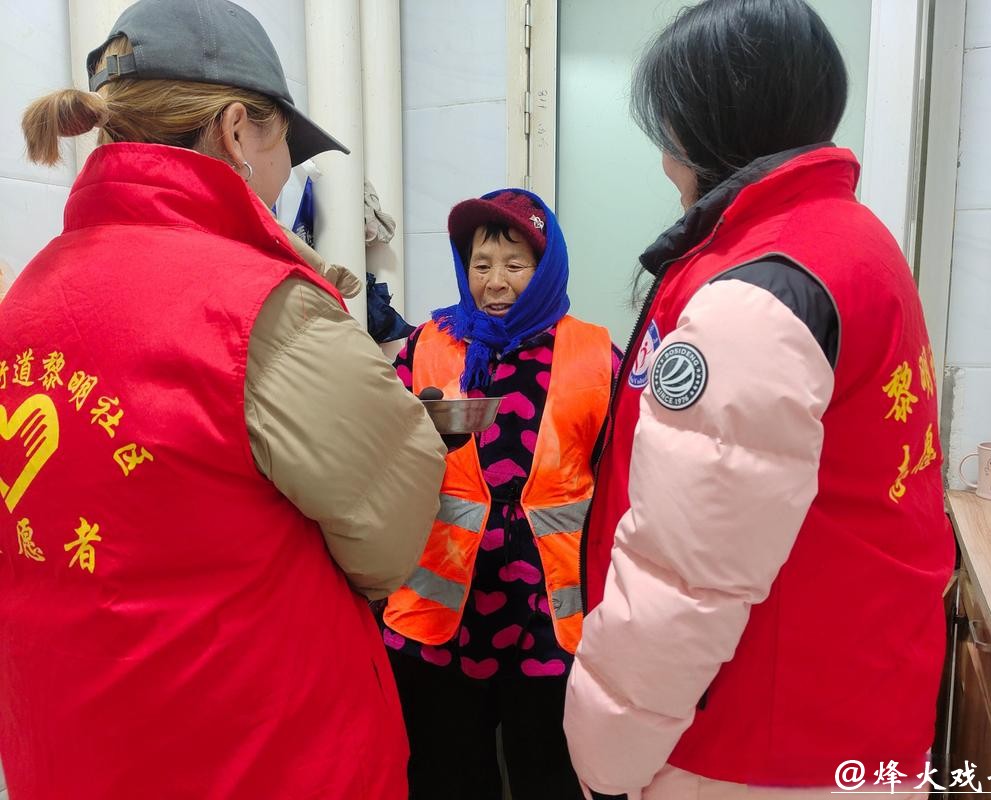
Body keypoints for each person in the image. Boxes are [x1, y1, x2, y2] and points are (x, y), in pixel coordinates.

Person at [0, 1, 445, 798]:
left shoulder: (26, 293)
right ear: (238, 131)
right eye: (286, 148)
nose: (286, 177)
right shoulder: (259, 309)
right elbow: (392, 536)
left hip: (66, 750)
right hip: (255, 753)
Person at [564, 2, 955, 798]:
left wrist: (606, 757)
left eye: (666, 128)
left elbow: (686, 575)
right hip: (857, 702)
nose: (664, 159)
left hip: (751, 744)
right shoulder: (853, 240)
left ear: (700, 127)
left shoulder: (756, 292)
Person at [381, 190, 621, 800]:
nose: (495, 282)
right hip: (442, 612)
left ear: (546, 269)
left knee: (552, 774)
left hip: (552, 614)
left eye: (516, 265)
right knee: (445, 773)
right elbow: (385, 450)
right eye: (481, 265)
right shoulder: (429, 344)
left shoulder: (596, 353)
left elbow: (625, 478)